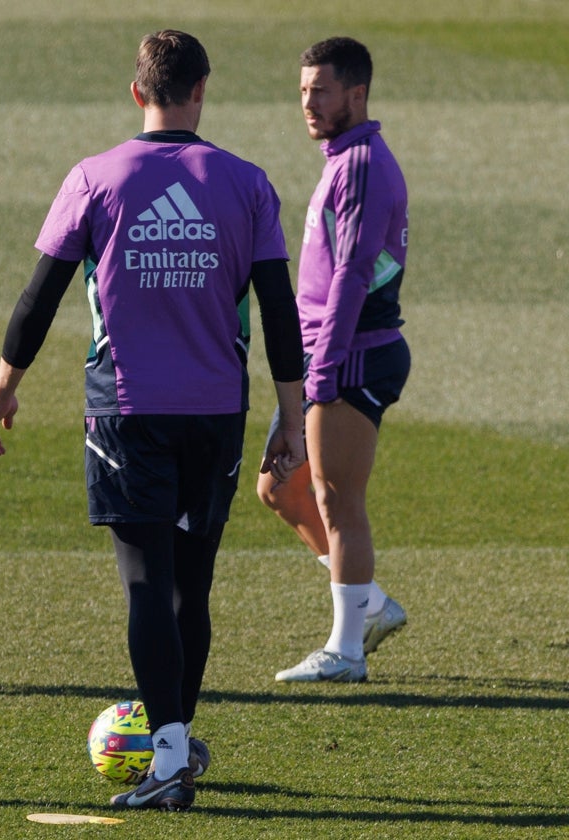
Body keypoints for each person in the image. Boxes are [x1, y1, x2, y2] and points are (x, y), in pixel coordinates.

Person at [0, 30, 306, 812]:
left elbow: (40, 296)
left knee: (145, 585)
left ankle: (165, 759)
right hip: (218, 413)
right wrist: (292, 418)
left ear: (138, 93)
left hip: (126, 413)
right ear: (202, 89)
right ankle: (176, 741)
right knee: (192, 586)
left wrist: (4, 389)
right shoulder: (247, 182)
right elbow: (281, 311)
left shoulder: (95, 177)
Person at [261, 37, 410, 683]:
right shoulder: (344, 158)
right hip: (329, 354)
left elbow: (350, 275)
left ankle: (348, 649)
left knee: (335, 497)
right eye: (302, 91)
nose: (308, 103)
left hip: (351, 357)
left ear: (357, 93)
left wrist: (319, 373)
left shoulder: (363, 166)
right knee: (279, 486)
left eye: (320, 90)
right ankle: (370, 602)